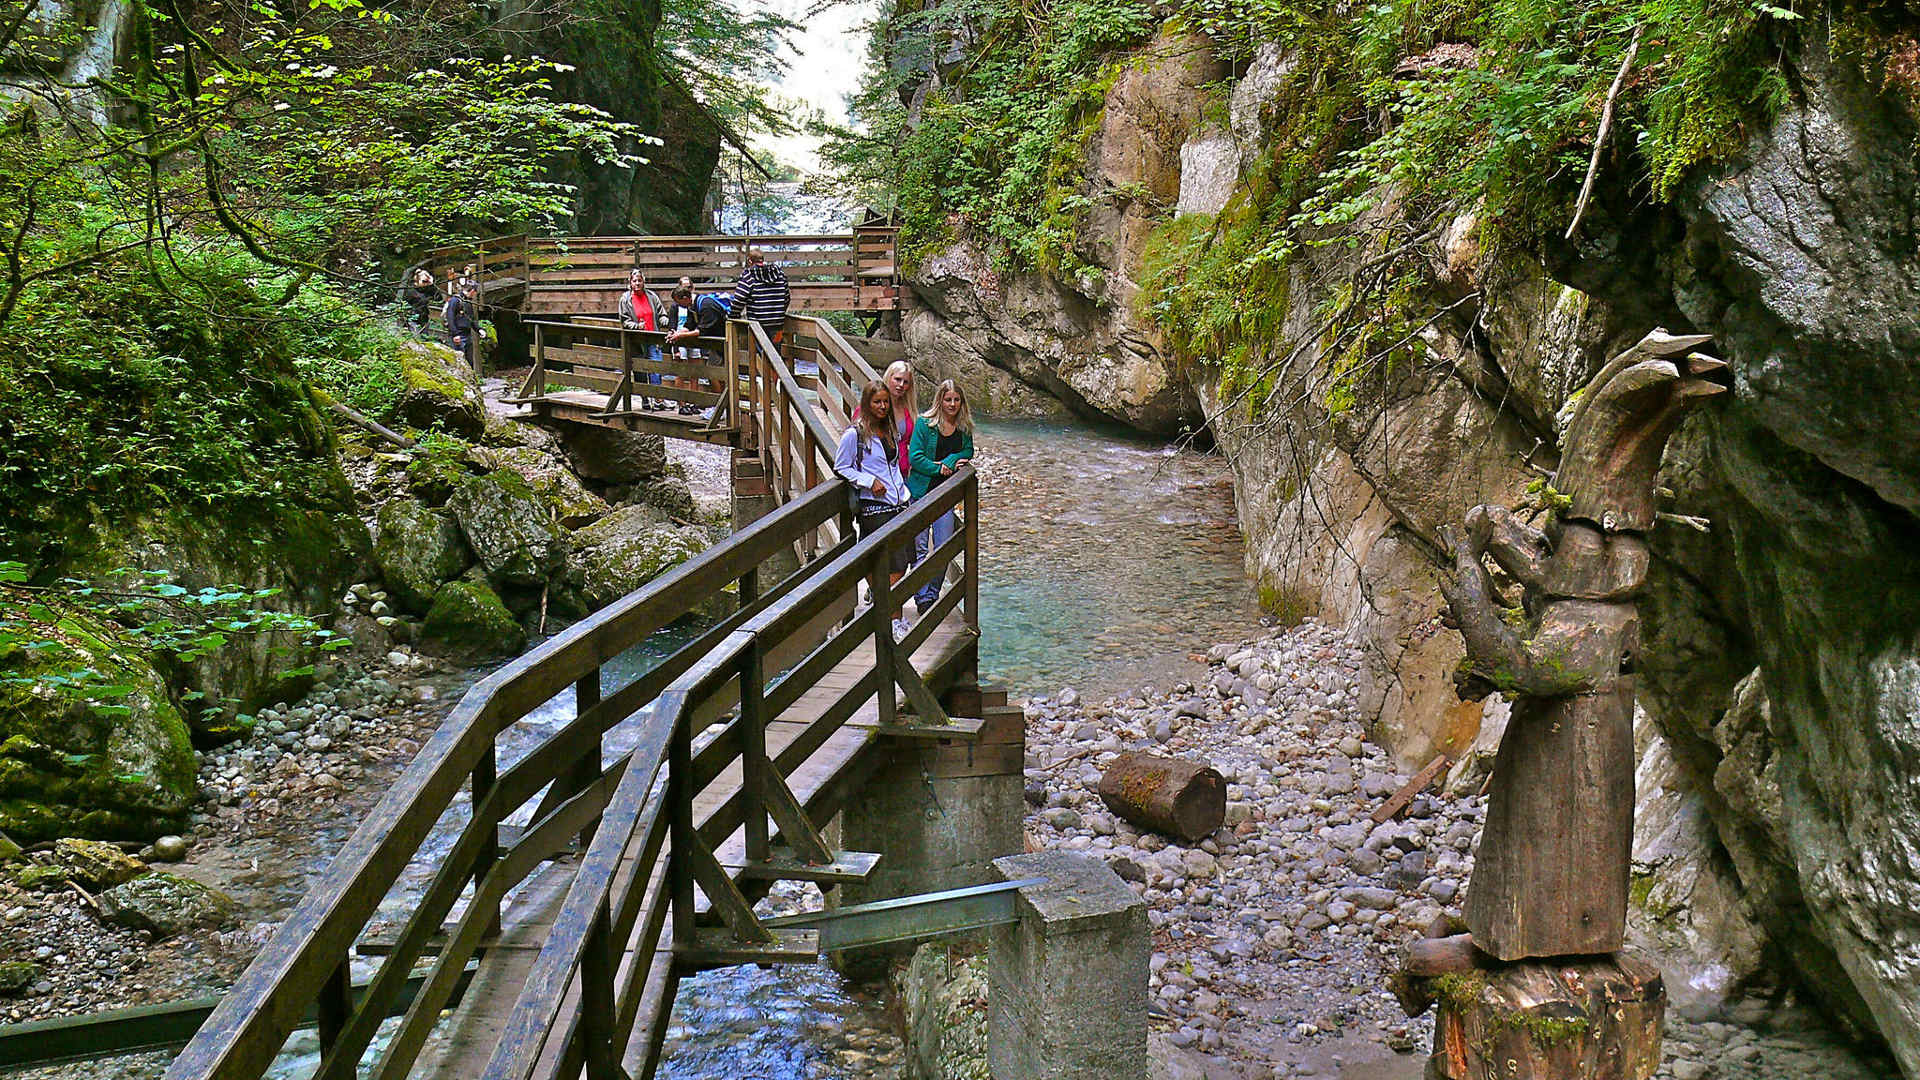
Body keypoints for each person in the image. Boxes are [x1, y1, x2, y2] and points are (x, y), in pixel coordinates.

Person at [834, 380, 913, 642]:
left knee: (902, 562)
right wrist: (869, 481)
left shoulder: (889, 429)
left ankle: (881, 601)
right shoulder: (854, 435)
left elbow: (894, 465)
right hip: (874, 506)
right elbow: (841, 467)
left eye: (885, 402)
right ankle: (894, 619)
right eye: (876, 402)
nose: (882, 406)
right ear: (866, 404)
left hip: (898, 502)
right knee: (890, 563)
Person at [906, 379, 975, 614]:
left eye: (956, 400)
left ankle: (932, 593)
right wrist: (938, 469)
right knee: (920, 548)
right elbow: (915, 457)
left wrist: (948, 462)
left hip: (946, 496)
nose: (952, 404)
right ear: (940, 400)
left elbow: (968, 450)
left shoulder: (964, 427)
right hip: (921, 494)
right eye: (948, 399)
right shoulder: (925, 424)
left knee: (945, 546)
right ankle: (922, 598)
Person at [619, 269, 667, 410]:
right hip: (637, 341)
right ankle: (645, 398)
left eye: (640, 280)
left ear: (644, 281)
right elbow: (624, 321)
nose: (637, 283)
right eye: (634, 281)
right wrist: (636, 326)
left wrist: (666, 321)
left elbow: (661, 313)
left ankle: (657, 399)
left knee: (656, 368)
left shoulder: (652, 296)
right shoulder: (625, 299)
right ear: (630, 282)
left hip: (653, 337)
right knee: (640, 370)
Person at [731, 247, 790, 344]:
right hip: (777, 324)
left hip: (757, 327)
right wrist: (779, 313)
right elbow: (786, 298)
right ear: (762, 259)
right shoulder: (780, 274)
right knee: (776, 354)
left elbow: (738, 300)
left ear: (750, 261)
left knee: (760, 355)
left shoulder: (748, 276)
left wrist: (733, 316)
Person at [444, 283, 479, 367]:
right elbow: (450, 318)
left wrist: (479, 329)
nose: (475, 295)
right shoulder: (455, 301)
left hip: (467, 335)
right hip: (458, 336)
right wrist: (455, 334)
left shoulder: (467, 302)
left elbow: (471, 319)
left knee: (469, 362)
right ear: (473, 291)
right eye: (476, 293)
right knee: (459, 362)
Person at [404, 267, 437, 335]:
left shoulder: (428, 290)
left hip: (424, 319)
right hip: (413, 319)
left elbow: (438, 298)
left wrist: (431, 284)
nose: (425, 283)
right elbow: (405, 305)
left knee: (425, 339)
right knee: (415, 338)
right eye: (424, 281)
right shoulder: (411, 291)